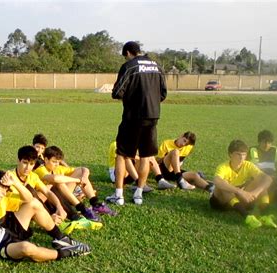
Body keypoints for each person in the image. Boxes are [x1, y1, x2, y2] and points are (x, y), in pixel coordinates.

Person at [106, 41, 167, 206]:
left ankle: (119, 195)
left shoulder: (129, 66)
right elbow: (163, 94)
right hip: (153, 116)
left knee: (122, 154)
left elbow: (117, 92)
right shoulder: (157, 66)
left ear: (127, 53)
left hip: (133, 117)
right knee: (146, 156)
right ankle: (138, 194)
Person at [10, 146, 102, 234]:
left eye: (31, 164)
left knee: (49, 187)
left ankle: (78, 214)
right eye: (25, 163)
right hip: (17, 214)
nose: (27, 168)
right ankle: (71, 216)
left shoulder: (32, 175)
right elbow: (21, 203)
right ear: (18, 161)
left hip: (42, 203)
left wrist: (59, 207)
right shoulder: (11, 177)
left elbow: (48, 192)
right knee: (38, 190)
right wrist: (77, 180)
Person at [35, 146, 117, 221]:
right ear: (45, 160)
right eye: (54, 162)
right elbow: (55, 178)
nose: (56, 164)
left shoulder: (58, 168)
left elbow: (83, 169)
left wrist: (84, 177)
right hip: (47, 200)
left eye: (58, 162)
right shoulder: (41, 169)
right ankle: (82, 209)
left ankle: (95, 204)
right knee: (59, 183)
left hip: (61, 196)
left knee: (80, 174)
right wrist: (77, 180)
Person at [210, 140, 277, 229]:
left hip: (237, 201)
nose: (241, 158)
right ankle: (247, 217)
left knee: (261, 182)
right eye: (238, 154)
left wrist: (255, 193)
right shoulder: (223, 167)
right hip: (221, 202)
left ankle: (265, 216)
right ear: (230, 154)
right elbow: (217, 181)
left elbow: (268, 179)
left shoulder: (248, 165)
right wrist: (239, 192)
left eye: (244, 155)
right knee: (224, 185)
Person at [108, 141, 175, 191]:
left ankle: (160, 180)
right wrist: (144, 159)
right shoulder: (116, 144)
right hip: (117, 175)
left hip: (130, 174)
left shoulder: (134, 144)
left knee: (149, 155)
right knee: (126, 158)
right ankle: (138, 183)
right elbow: (124, 157)